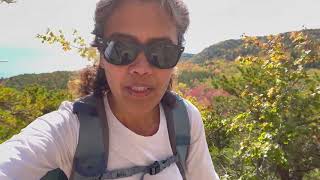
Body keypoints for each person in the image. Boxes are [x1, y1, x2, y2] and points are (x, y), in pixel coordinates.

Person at [0, 0, 219, 179]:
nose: (141, 69)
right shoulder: (70, 131)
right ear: (102, 56)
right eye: (121, 49)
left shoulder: (185, 120)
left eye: (162, 52)